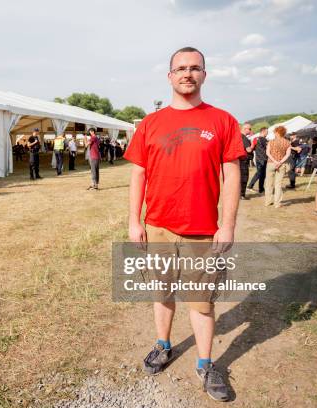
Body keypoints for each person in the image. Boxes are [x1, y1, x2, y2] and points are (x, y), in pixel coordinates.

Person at [125, 46, 245, 402]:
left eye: (194, 68)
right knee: (161, 293)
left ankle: (206, 364)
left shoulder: (223, 120)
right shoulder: (150, 123)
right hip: (159, 227)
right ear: (170, 76)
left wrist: (228, 224)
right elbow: (138, 175)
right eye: (180, 68)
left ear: (204, 74)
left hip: (204, 231)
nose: (187, 73)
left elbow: (232, 174)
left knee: (202, 302)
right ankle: (163, 345)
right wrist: (134, 220)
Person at [264, 126, 291, 208]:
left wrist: (275, 161)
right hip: (281, 164)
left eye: (274, 132)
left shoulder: (271, 142)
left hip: (271, 163)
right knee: (278, 184)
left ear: (277, 132)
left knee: (269, 184)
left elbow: (268, 153)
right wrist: (280, 162)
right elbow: (288, 154)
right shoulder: (287, 142)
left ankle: (268, 201)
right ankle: (277, 203)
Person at [247, 127, 268, 193]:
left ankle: (261, 189)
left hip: (258, 158)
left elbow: (252, 148)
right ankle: (250, 186)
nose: (267, 133)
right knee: (260, 173)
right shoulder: (264, 139)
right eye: (267, 132)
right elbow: (268, 148)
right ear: (263, 131)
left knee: (262, 174)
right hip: (263, 159)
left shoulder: (255, 139)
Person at [239, 123, 253, 199]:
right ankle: (242, 194)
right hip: (243, 160)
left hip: (238, 160)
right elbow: (248, 149)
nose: (251, 131)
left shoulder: (237, 136)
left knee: (239, 178)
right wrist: (253, 146)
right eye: (249, 129)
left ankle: (239, 194)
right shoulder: (244, 138)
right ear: (245, 129)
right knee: (244, 178)